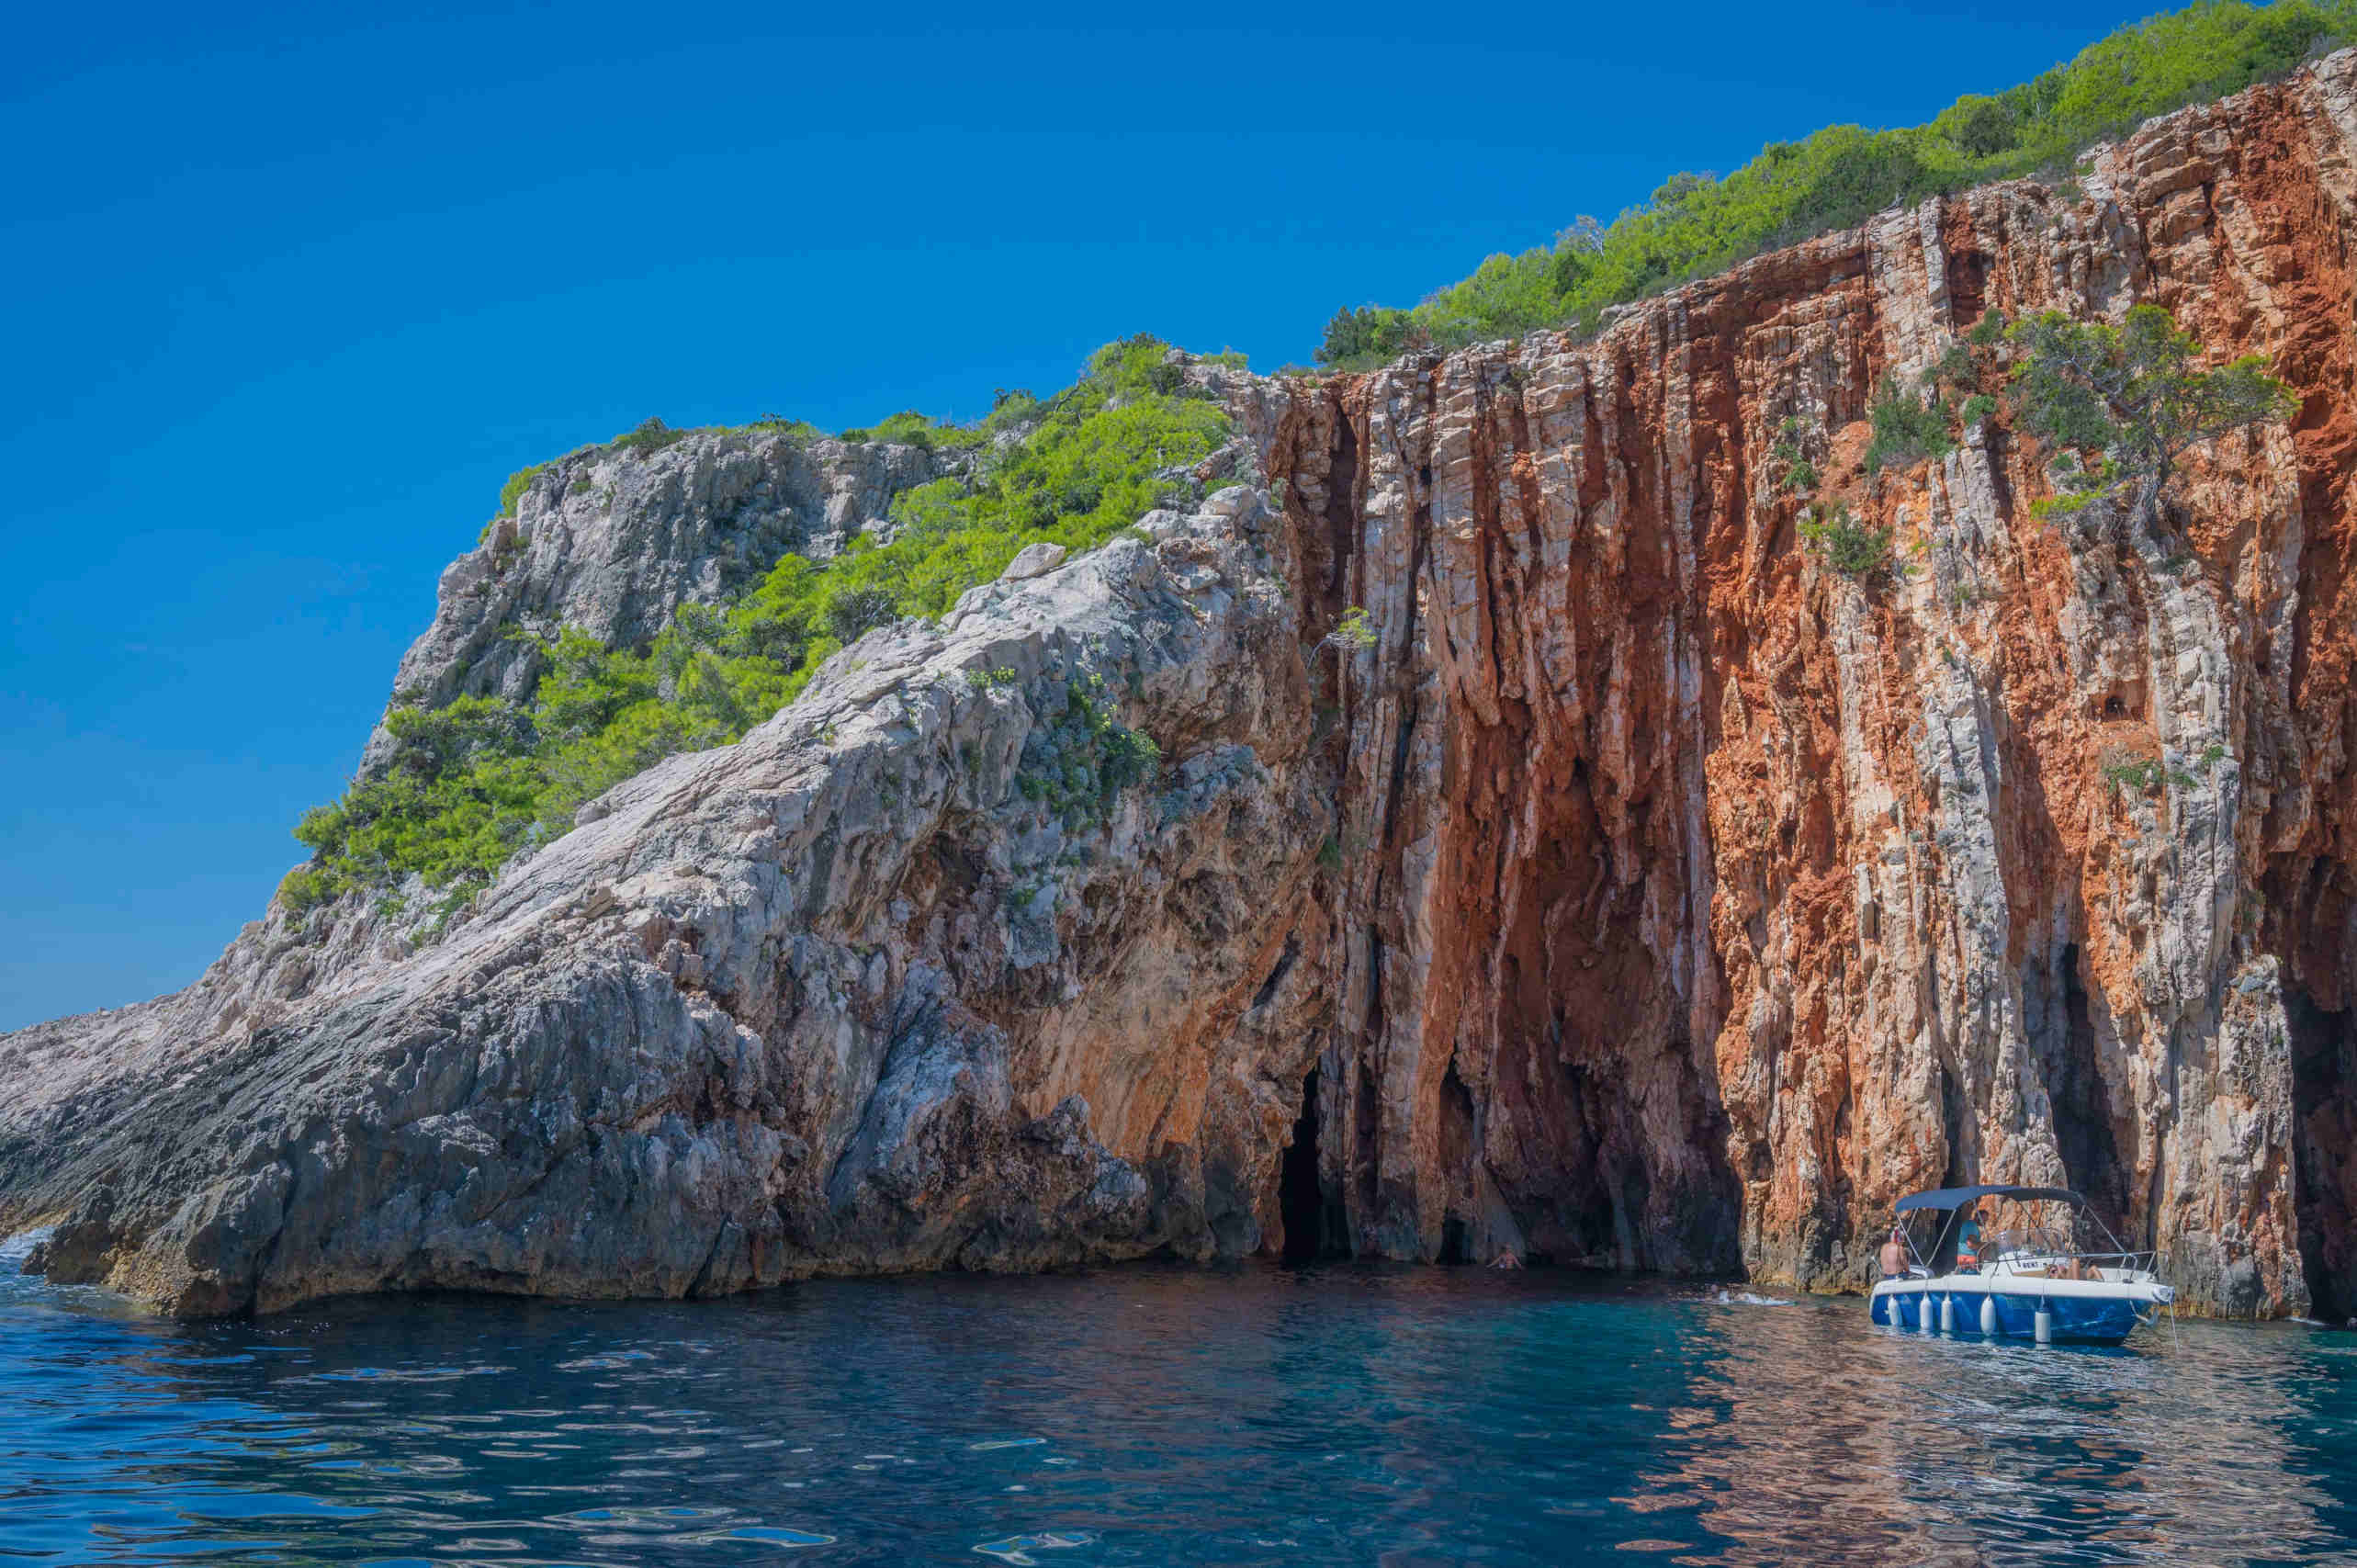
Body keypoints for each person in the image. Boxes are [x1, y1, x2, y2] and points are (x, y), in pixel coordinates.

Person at [1957, 1206, 1984, 1273]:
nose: (1985, 1221)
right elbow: (1971, 1244)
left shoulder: (1968, 1224)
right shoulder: (1972, 1225)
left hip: (1962, 1257)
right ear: (1977, 1217)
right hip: (1969, 1260)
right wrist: (1985, 1245)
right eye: (1984, 1218)